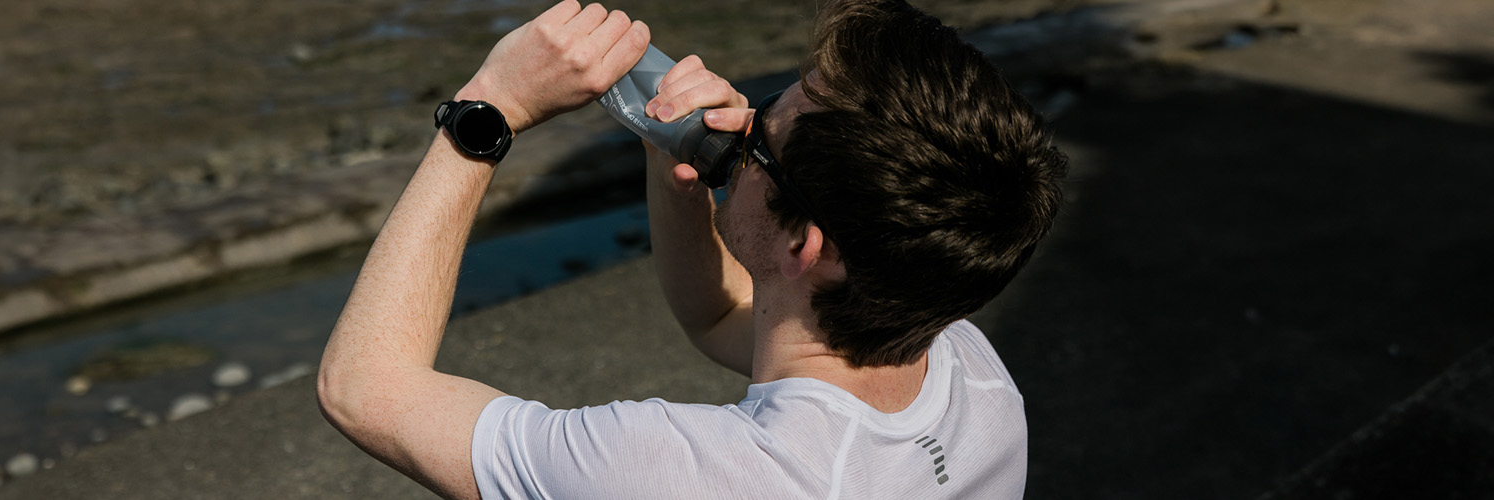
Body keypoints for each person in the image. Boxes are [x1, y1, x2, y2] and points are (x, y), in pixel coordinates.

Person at [317, 0, 1065, 498]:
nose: (742, 124)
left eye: (764, 132)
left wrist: (488, 110)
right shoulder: (974, 373)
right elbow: (718, 314)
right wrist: (675, 157)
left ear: (808, 244)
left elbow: (363, 389)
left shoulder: (679, 473)